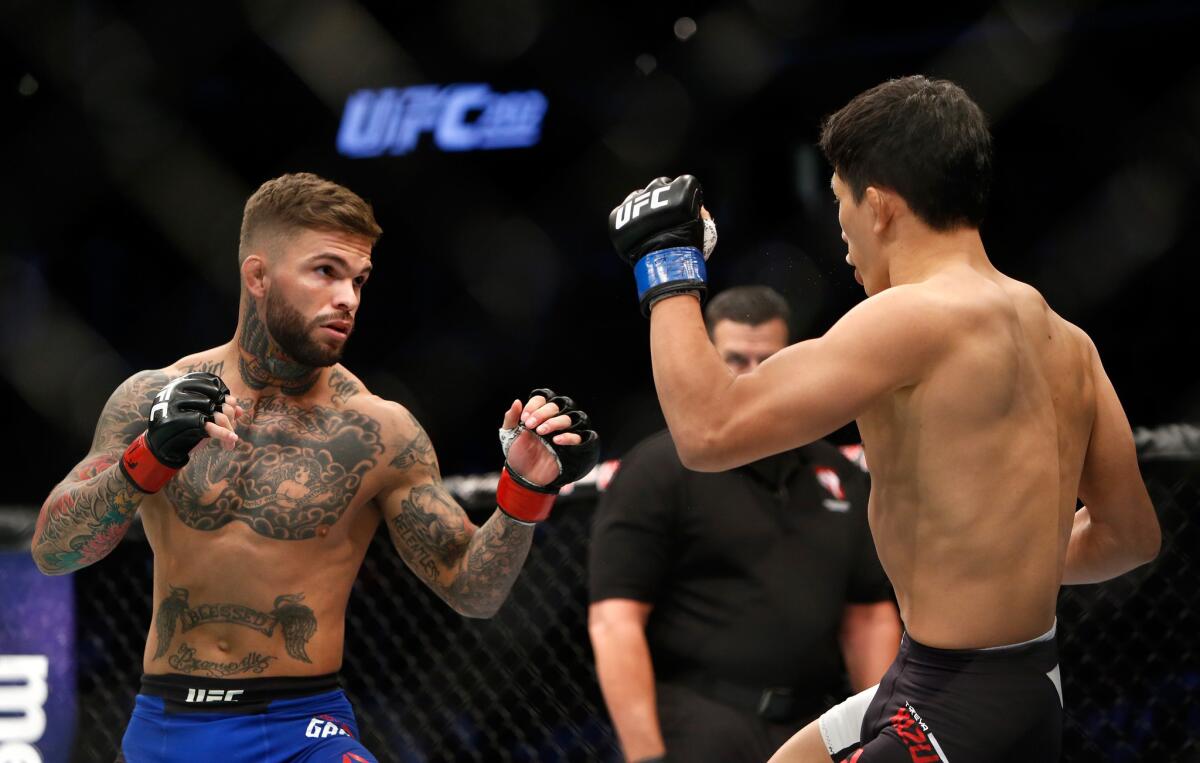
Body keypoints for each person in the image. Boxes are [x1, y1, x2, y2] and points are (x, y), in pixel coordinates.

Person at [583, 76, 1161, 762]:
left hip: (963, 705)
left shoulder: (909, 318)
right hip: (980, 680)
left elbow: (708, 432)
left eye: (840, 202)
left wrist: (665, 264)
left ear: (880, 206)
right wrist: (1006, 565)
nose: (842, 231)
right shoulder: (1068, 340)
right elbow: (1130, 535)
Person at [31, 172, 599, 762]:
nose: (349, 298)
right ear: (257, 276)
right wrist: (147, 458)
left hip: (301, 728)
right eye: (326, 271)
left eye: (359, 279)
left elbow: (472, 589)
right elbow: (54, 550)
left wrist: (526, 492)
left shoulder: (380, 430)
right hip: (166, 728)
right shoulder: (149, 397)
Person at [587, 286, 901, 763]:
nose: (751, 377)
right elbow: (616, 621)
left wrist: (880, 736)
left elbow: (869, 616)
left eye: (767, 361)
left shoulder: (836, 475)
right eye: (735, 360)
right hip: (699, 721)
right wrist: (647, 756)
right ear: (708, 360)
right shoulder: (658, 470)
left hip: (813, 722)